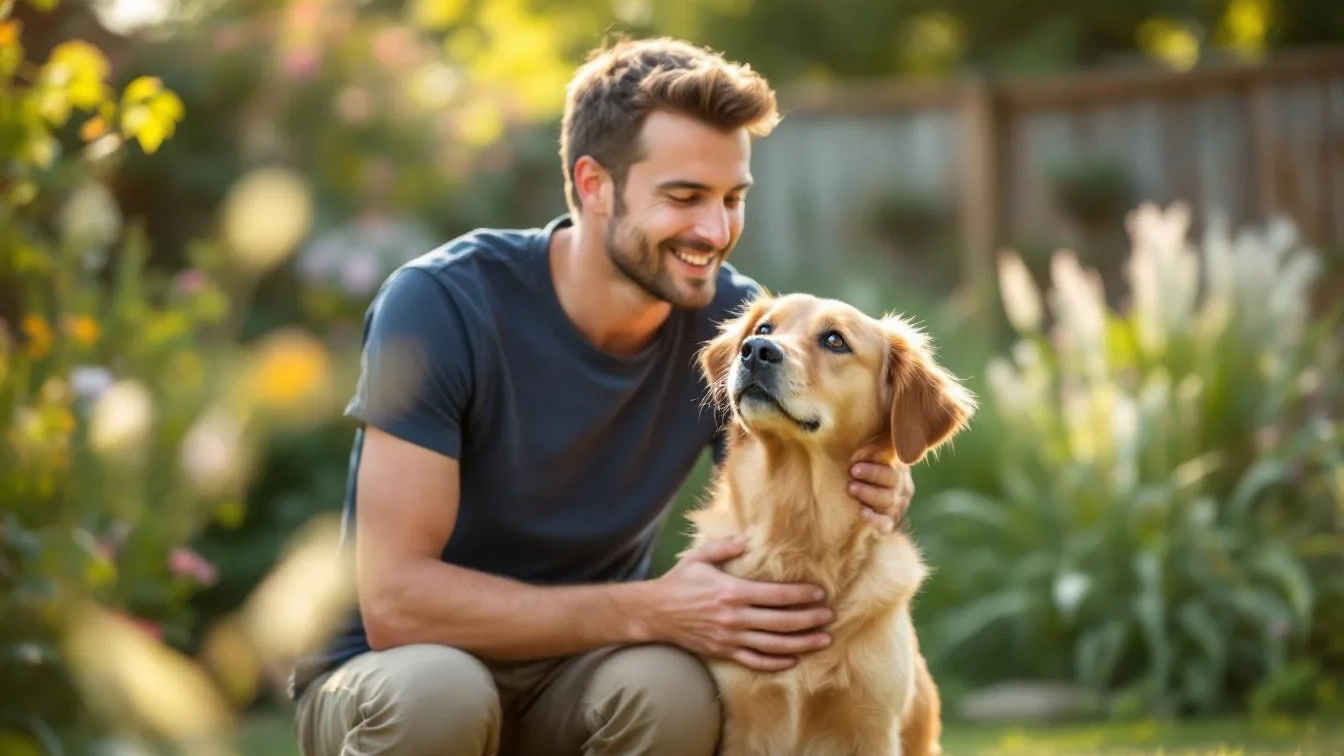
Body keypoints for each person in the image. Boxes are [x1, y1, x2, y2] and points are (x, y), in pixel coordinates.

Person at [290, 36, 915, 756]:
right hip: (393, 672)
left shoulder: (731, 325)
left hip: (579, 672)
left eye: (732, 199)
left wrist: (875, 477)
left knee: (673, 694)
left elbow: (796, 474)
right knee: (443, 694)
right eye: (684, 197)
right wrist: (653, 608)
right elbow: (396, 605)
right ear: (593, 185)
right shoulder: (442, 304)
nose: (715, 231)